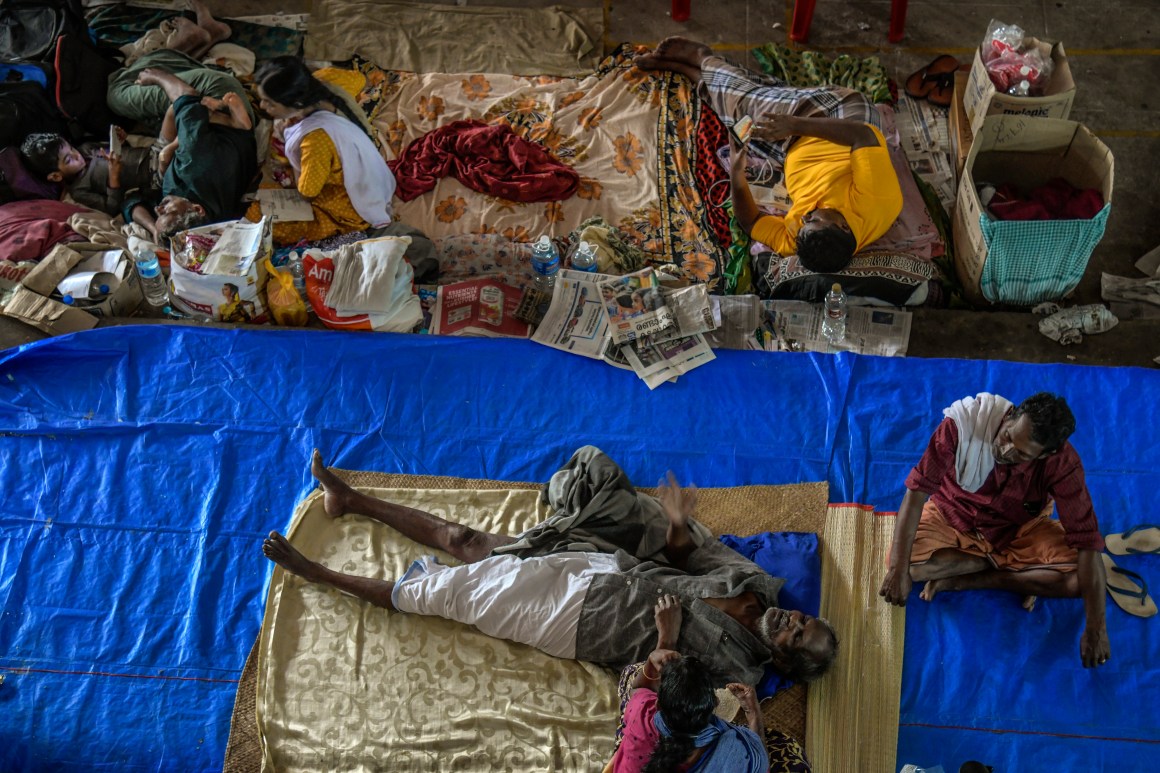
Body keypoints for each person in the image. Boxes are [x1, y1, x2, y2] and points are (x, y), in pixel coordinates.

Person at [262, 446, 838, 686]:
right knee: (465, 540)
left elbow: (659, 696)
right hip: (603, 568)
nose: (791, 621)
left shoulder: (739, 675)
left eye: (797, 635)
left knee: (438, 594)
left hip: (581, 620)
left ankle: (316, 573)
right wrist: (678, 523)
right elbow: (694, 557)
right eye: (802, 619)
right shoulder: (759, 585)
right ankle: (350, 499)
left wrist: (665, 638)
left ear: (786, 659)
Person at [878, 392, 1111, 669]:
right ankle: (1010, 569)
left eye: (1022, 454)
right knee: (905, 564)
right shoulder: (964, 423)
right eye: (1008, 436)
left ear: (1045, 454)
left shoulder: (1062, 463)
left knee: (1077, 582)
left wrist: (1096, 629)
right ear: (1009, 416)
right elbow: (916, 494)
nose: (1007, 450)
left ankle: (974, 578)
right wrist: (897, 570)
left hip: (1018, 529)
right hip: (953, 514)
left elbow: (1087, 543)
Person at [635, 38, 902, 273]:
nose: (806, 216)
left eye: (806, 223)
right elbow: (863, 136)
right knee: (746, 105)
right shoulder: (876, 201)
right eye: (815, 219)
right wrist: (794, 124)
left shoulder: (804, 239)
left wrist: (737, 175)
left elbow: (751, 222)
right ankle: (701, 56)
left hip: (795, 146)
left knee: (739, 123)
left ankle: (694, 74)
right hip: (840, 119)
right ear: (845, 227)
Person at [247, 56, 397, 246]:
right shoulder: (322, 85)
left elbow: (307, 193)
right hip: (366, 182)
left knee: (256, 218)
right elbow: (358, 78)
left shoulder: (314, 141)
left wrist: (287, 140)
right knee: (261, 193)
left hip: (346, 208)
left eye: (270, 103)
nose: (263, 107)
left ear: (297, 104)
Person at [120, 65, 257, 242]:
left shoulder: (204, 219)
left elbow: (130, 203)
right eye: (167, 211)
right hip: (217, 95)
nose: (158, 209)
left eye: (159, 215)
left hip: (210, 135)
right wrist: (156, 75)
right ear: (197, 208)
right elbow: (186, 95)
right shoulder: (193, 166)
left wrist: (155, 229)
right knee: (119, 95)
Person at [20, 129, 154, 216]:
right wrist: (113, 177)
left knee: (173, 111)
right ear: (56, 176)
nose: (76, 154)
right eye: (68, 159)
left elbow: (120, 152)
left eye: (71, 148)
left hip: (152, 152)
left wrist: (122, 142)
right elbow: (111, 208)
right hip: (151, 176)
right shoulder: (79, 190)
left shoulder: (86, 148)